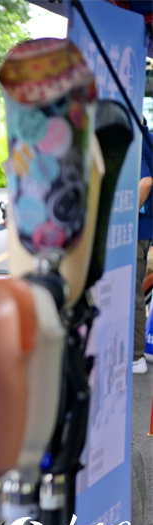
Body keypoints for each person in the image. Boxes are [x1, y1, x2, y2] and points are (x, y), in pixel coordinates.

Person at [134, 125, 153, 374]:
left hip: (135, 228)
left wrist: (123, 217)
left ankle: (135, 356)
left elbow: (145, 182)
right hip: (145, 228)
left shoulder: (134, 138)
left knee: (131, 291)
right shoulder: (146, 135)